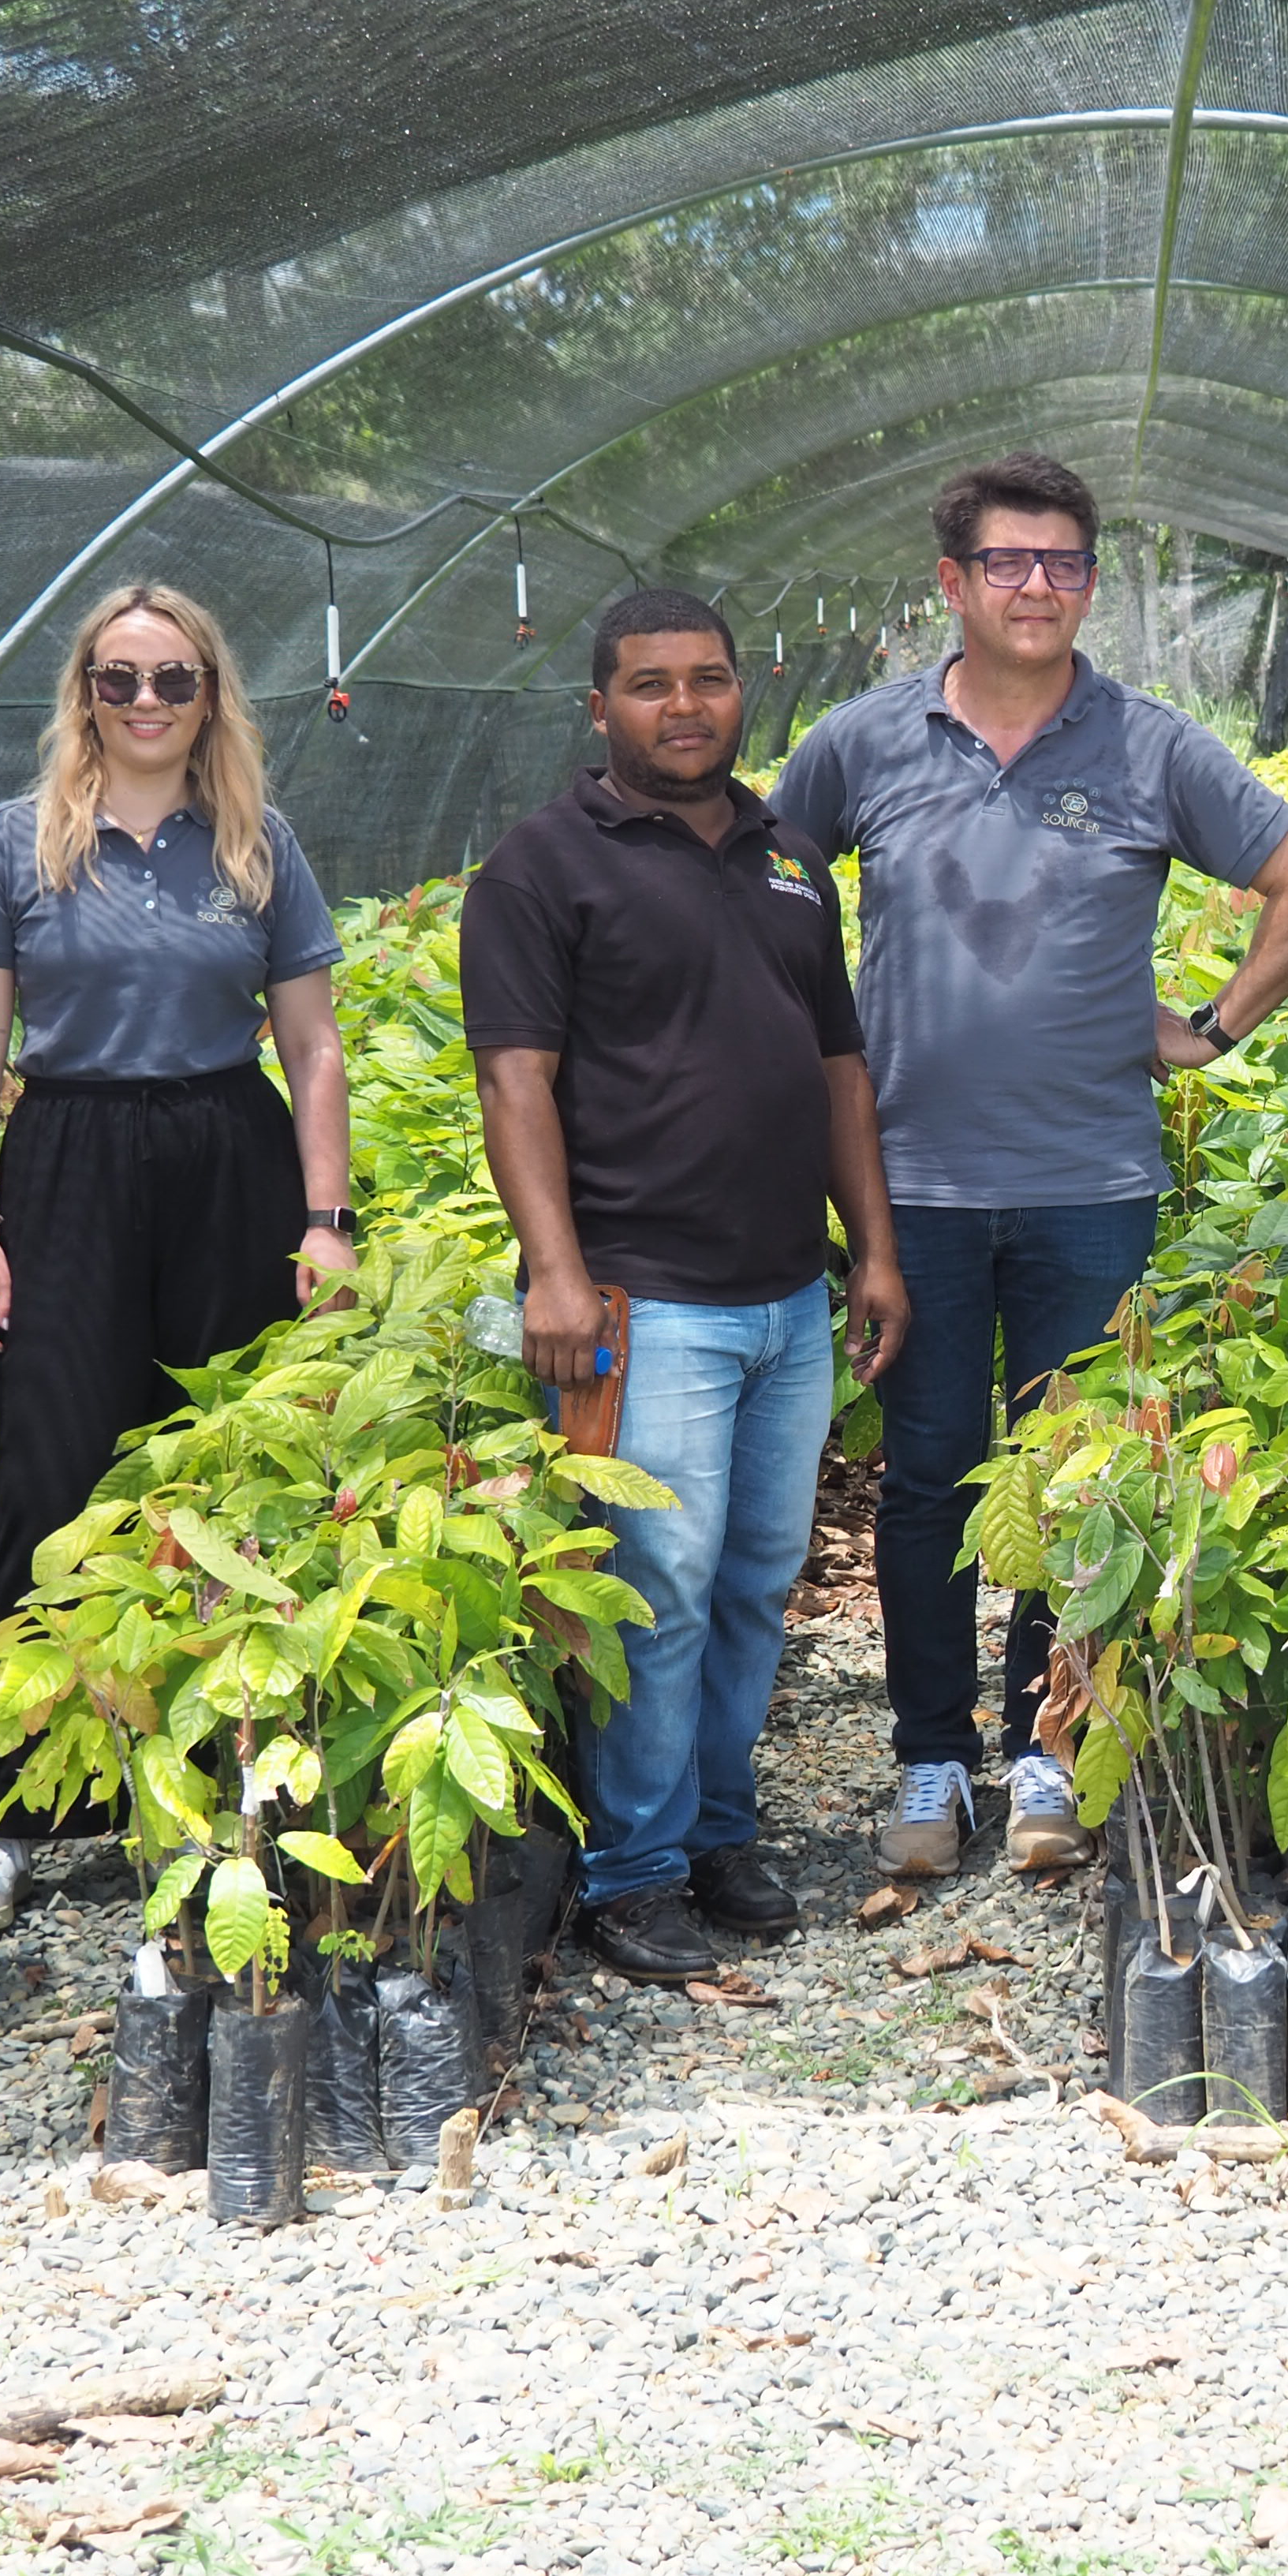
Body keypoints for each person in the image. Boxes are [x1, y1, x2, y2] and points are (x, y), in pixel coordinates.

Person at [771, 453, 1288, 1880]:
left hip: (1091, 1183)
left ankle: (1046, 1746)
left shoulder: (1150, 748)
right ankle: (930, 1759)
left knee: (1078, 1479)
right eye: (1011, 564)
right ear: (952, 584)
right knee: (928, 1477)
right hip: (911, 1189)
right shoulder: (861, 745)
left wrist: (1211, 1027)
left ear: (1092, 584)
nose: (1040, 588)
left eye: (1067, 565)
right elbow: (764, 902)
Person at [467, 588, 906, 1980]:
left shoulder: (788, 860)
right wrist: (557, 1274)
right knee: (650, 1581)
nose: (684, 706)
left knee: (755, 1576)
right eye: (649, 685)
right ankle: (633, 1869)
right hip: (644, 1301)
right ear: (598, 709)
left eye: (708, 680)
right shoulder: (542, 868)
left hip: (785, 1294)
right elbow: (513, 1081)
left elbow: (837, 1066)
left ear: (739, 695)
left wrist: (874, 1248)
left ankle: (718, 1827)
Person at [0, 583, 357, 1934]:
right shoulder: (16, 845)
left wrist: (327, 1221)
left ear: (212, 695)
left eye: (175, 680)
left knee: (228, 1467)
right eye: (121, 681)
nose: (149, 703)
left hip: (232, 1151)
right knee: (51, 1471)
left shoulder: (256, 843)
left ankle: (225, 1795)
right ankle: (7, 1813)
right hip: (70, 1160)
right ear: (85, 697)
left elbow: (316, 1046)